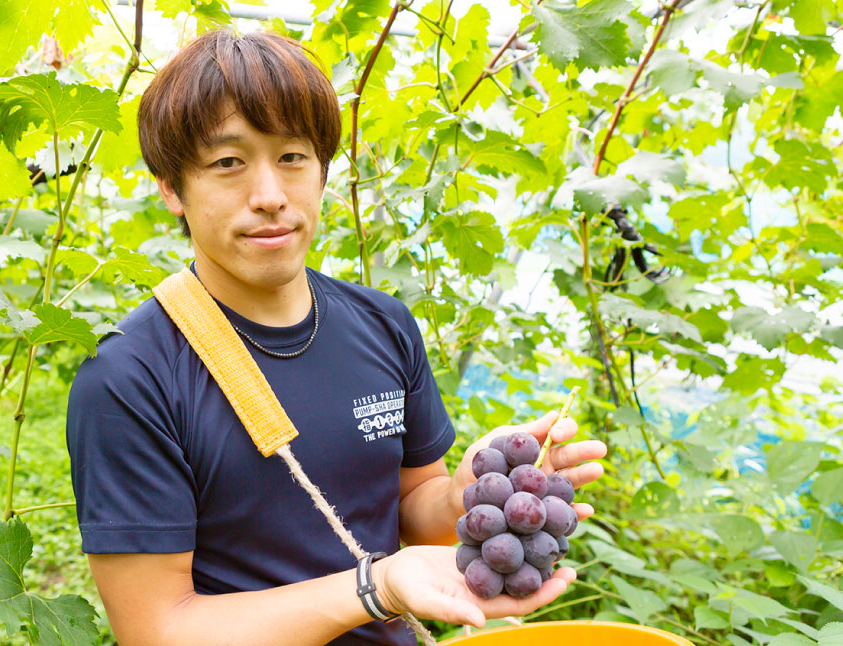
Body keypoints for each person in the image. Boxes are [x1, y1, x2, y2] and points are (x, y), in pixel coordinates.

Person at [66, 29, 607, 646]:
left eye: (293, 157)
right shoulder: (130, 376)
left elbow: (412, 507)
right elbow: (158, 631)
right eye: (228, 163)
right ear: (170, 187)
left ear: (323, 168)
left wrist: (464, 497)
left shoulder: (384, 324)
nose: (270, 197)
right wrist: (375, 589)